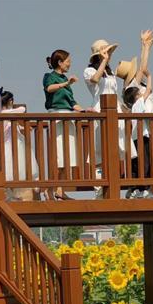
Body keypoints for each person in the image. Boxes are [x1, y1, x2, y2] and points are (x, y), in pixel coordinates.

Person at [83, 39, 137, 197]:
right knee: (100, 148)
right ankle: (99, 187)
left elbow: (114, 92)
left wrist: (125, 109)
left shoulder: (110, 71)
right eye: (106, 52)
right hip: (101, 108)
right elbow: (95, 80)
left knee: (117, 148)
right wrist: (104, 60)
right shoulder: (89, 70)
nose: (109, 55)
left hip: (115, 109)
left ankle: (115, 184)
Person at [43, 49, 87, 200]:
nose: (70, 64)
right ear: (60, 62)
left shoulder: (65, 80)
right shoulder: (49, 77)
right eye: (68, 61)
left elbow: (72, 103)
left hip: (68, 117)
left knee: (66, 156)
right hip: (57, 117)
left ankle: (59, 190)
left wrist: (84, 111)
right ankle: (51, 188)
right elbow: (49, 89)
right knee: (57, 155)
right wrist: (66, 83)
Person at [0, 89, 39, 200]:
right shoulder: (4, 113)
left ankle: (13, 195)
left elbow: (12, 128)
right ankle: (11, 195)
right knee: (12, 171)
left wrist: (23, 128)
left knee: (14, 171)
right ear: (10, 101)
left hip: (11, 144)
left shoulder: (3, 114)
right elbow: (22, 109)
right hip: (11, 145)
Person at [123, 69, 153, 198]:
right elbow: (148, 90)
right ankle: (143, 189)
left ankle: (135, 188)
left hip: (136, 137)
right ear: (136, 96)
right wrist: (149, 76)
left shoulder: (132, 107)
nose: (141, 93)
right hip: (143, 137)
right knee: (145, 163)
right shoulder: (139, 103)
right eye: (139, 93)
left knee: (138, 163)